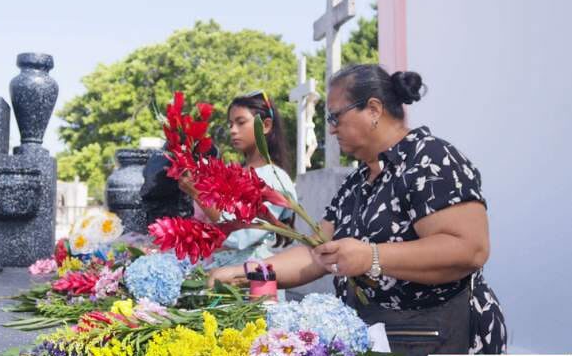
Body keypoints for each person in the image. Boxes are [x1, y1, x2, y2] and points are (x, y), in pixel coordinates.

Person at [208, 65, 506, 355]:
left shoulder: (430, 159)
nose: (331, 127)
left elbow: (469, 248)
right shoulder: (358, 180)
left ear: (373, 110)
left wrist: (370, 257)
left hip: (440, 337)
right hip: (385, 337)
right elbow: (316, 253)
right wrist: (241, 273)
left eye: (335, 115)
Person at [179, 91, 297, 268]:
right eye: (230, 124)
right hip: (216, 273)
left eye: (241, 122)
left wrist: (198, 193)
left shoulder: (275, 178)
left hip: (252, 281)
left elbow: (240, 236)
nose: (233, 130)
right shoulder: (233, 173)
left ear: (265, 126)